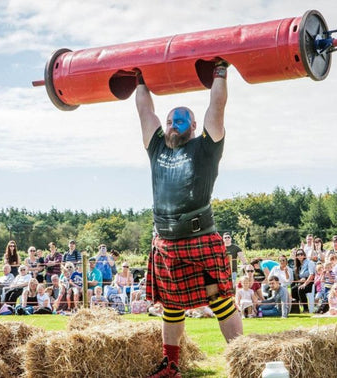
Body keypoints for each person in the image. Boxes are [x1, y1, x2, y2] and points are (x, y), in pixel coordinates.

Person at [136, 60, 242, 378]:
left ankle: (242, 361)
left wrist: (220, 73)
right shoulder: (156, 147)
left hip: (200, 237)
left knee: (220, 299)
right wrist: (140, 78)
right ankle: (171, 365)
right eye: (170, 120)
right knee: (171, 304)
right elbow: (145, 112)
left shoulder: (206, 147)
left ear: (193, 127)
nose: (173, 124)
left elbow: (216, 107)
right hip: (165, 242)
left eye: (181, 121)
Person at [289, 249, 315, 314]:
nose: (300, 255)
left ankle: (306, 309)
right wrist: (301, 281)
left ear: (304, 255)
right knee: (293, 289)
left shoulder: (309, 262)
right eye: (298, 254)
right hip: (302, 282)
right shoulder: (298, 265)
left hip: (310, 282)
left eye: (301, 254)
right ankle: (296, 309)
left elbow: (312, 275)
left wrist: (305, 283)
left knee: (301, 289)